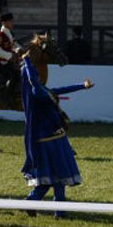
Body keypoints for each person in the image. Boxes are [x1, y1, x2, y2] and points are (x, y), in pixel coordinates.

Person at [20, 57, 93, 218]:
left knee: (57, 177)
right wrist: (27, 60)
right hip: (48, 142)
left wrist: (82, 86)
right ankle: (50, 207)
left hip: (57, 139)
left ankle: (38, 203)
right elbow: (32, 78)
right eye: (35, 74)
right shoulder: (35, 93)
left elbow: (62, 89)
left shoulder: (43, 90)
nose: (38, 75)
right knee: (57, 176)